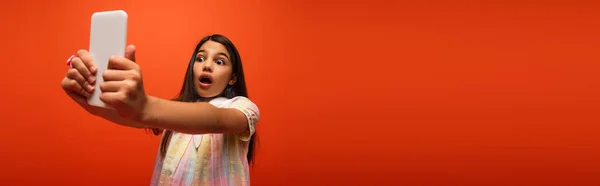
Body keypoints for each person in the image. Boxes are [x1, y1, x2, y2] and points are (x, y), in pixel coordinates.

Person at [60, 34, 260, 185]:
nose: (206, 65)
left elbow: (216, 119)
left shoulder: (243, 107)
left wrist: (145, 106)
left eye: (219, 61)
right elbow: (134, 117)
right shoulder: (174, 112)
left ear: (233, 77)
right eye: (200, 59)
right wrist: (92, 101)